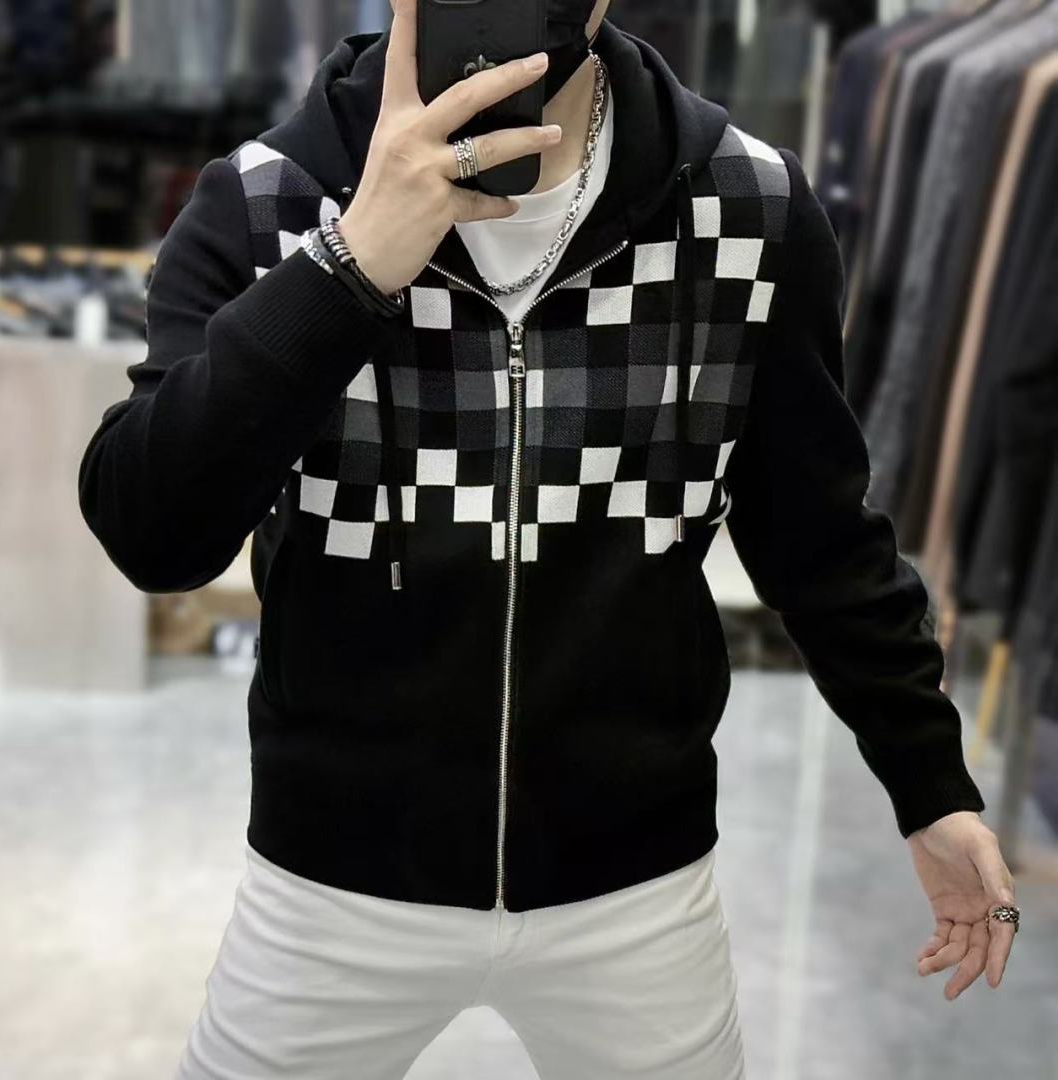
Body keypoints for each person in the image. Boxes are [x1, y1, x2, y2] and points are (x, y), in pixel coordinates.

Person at [76, 0, 1021, 1076]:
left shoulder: (747, 205)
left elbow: (818, 535)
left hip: (635, 893)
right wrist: (348, 268)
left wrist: (928, 782)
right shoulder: (266, 200)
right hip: (333, 887)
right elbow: (150, 531)